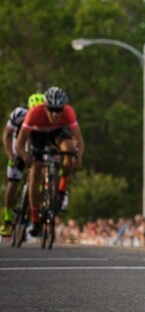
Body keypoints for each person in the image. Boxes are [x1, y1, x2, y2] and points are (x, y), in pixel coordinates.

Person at [15, 87, 83, 237]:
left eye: (58, 110)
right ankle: (34, 219)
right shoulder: (34, 114)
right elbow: (20, 143)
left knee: (69, 150)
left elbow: (79, 140)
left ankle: (61, 191)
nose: (55, 114)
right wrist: (25, 156)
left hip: (57, 133)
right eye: (51, 110)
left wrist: (78, 157)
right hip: (37, 136)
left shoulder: (68, 112)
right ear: (45, 108)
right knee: (36, 171)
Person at [1, 93, 44, 236]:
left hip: (34, 146)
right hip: (18, 146)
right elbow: (7, 135)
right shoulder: (19, 113)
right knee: (13, 183)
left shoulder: (46, 116)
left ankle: (36, 208)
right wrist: (11, 155)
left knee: (39, 175)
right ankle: (7, 218)